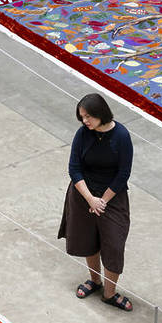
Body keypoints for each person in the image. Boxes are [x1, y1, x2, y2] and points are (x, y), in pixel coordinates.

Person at [59, 93, 134, 311]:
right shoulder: (83, 134)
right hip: (84, 194)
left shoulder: (121, 136)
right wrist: (90, 199)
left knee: (114, 244)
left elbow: (123, 173)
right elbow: (74, 168)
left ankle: (109, 293)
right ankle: (95, 280)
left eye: (88, 116)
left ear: (101, 113)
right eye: (82, 117)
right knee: (87, 239)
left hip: (112, 196)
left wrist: (102, 201)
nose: (85, 121)